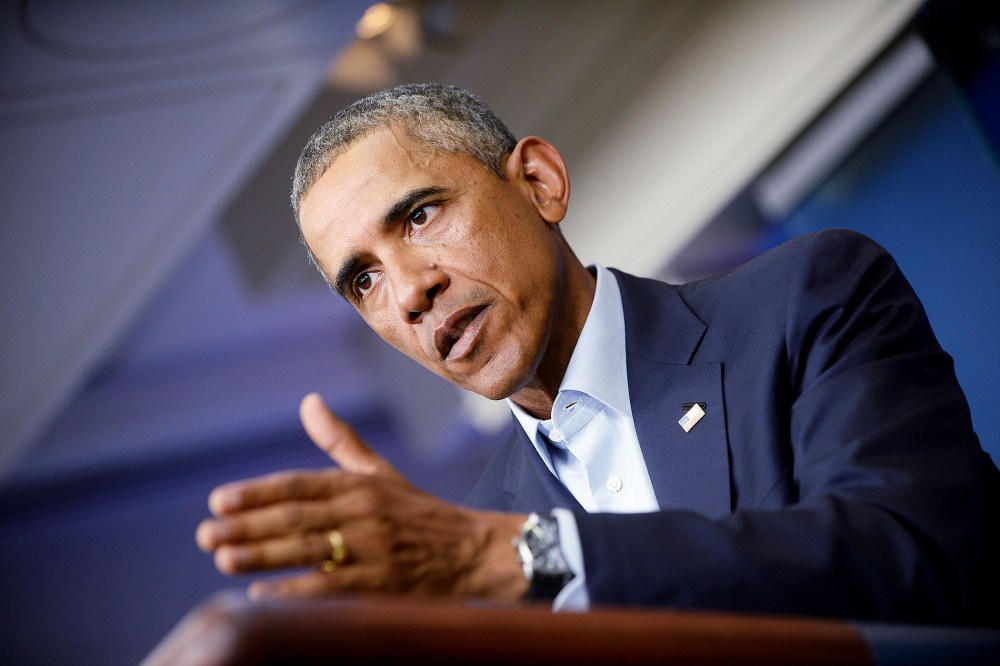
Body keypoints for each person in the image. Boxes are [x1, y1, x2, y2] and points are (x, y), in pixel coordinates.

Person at [195, 82, 999, 625]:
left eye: (419, 217)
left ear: (539, 183)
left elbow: (916, 557)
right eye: (362, 280)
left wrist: (528, 559)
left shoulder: (808, 297)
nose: (408, 292)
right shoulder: (465, 562)